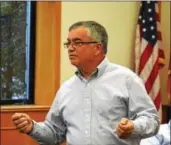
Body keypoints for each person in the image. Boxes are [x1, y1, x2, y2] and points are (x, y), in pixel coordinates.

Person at [12, 20, 160, 145]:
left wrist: (133, 127)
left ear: (98, 47)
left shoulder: (126, 79)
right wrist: (32, 127)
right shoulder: (66, 88)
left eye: (77, 43)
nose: (70, 48)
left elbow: (152, 120)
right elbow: (55, 132)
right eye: (68, 43)